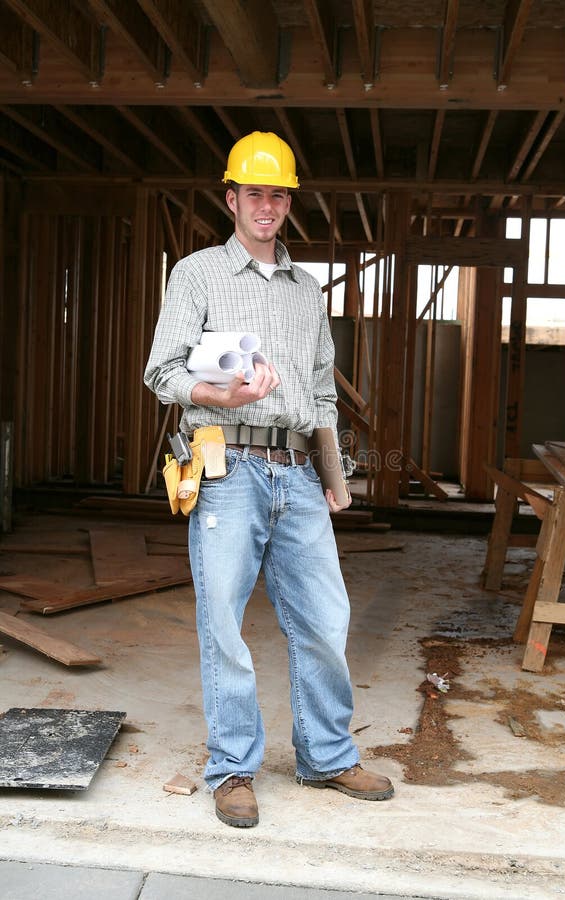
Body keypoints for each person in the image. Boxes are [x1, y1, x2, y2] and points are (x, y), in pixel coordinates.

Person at [144, 131, 394, 827]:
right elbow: (162, 373)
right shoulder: (196, 275)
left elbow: (320, 394)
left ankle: (328, 754)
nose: (266, 205)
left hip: (295, 472)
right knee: (223, 618)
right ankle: (231, 769)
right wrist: (225, 395)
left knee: (324, 616)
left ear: (288, 204)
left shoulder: (305, 291)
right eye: (254, 192)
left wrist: (334, 479)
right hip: (225, 466)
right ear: (231, 198)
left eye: (277, 194)